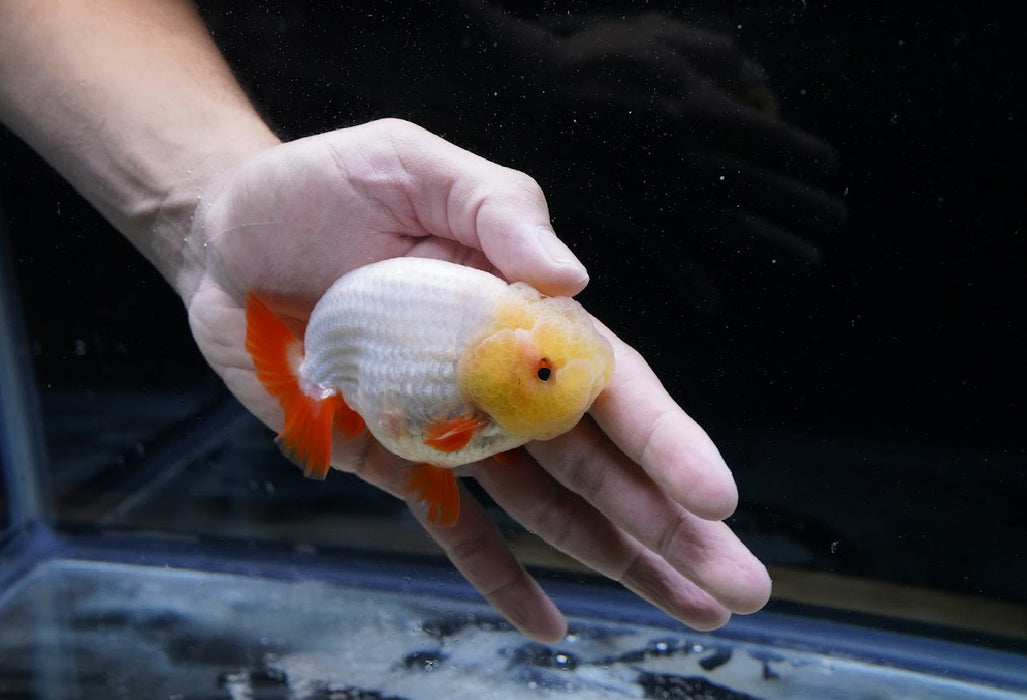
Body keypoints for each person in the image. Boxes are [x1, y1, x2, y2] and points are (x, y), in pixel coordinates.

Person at [0, 0, 771, 643]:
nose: (555, 370)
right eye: (540, 370)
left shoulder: (494, 340)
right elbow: (428, 442)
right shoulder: (453, 405)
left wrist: (205, 213)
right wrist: (205, 224)